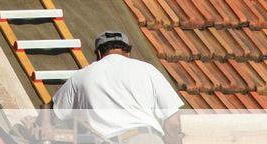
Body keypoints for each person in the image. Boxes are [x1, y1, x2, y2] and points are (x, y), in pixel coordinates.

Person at [51, 30, 184, 144]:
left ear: (98, 53)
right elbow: (173, 122)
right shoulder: (148, 70)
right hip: (147, 138)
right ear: (127, 52)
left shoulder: (81, 76)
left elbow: (54, 114)